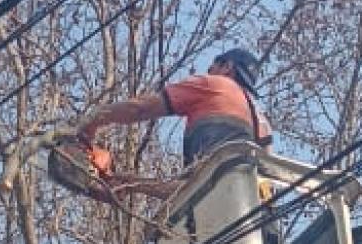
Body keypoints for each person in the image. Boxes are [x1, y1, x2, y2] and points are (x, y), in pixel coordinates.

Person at [77, 48, 272, 199]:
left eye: (212, 66)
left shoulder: (216, 84)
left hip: (220, 215)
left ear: (227, 67)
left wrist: (93, 119)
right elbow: (187, 193)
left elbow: (140, 109)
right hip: (258, 232)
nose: (209, 71)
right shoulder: (263, 125)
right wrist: (132, 183)